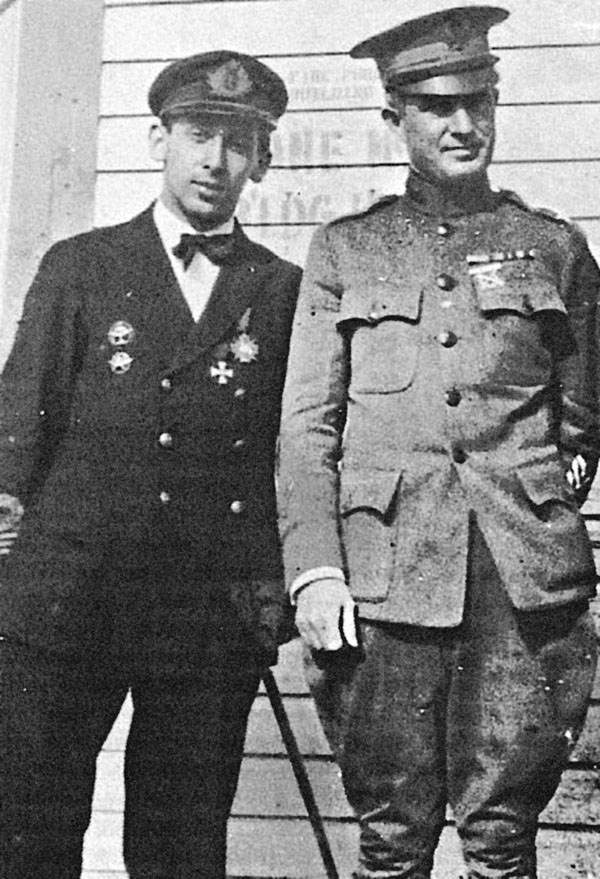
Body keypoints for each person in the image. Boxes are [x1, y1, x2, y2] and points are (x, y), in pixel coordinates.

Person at [277, 7, 600, 879]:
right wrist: (316, 568)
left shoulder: (553, 247)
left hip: (522, 589)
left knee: (502, 838)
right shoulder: (347, 249)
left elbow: (582, 416)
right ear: (395, 117)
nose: (463, 124)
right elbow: (307, 428)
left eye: (478, 103)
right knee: (392, 837)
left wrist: (534, 511)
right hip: (384, 584)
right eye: (436, 107)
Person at [0, 50, 300, 879]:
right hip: (68, 598)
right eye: (199, 135)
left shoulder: (281, 290)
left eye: (237, 143)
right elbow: (17, 424)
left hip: (204, 610)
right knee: (28, 832)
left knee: (180, 850)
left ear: (261, 159)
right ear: (158, 140)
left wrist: (271, 586)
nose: (215, 161)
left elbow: (295, 449)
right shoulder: (81, 266)